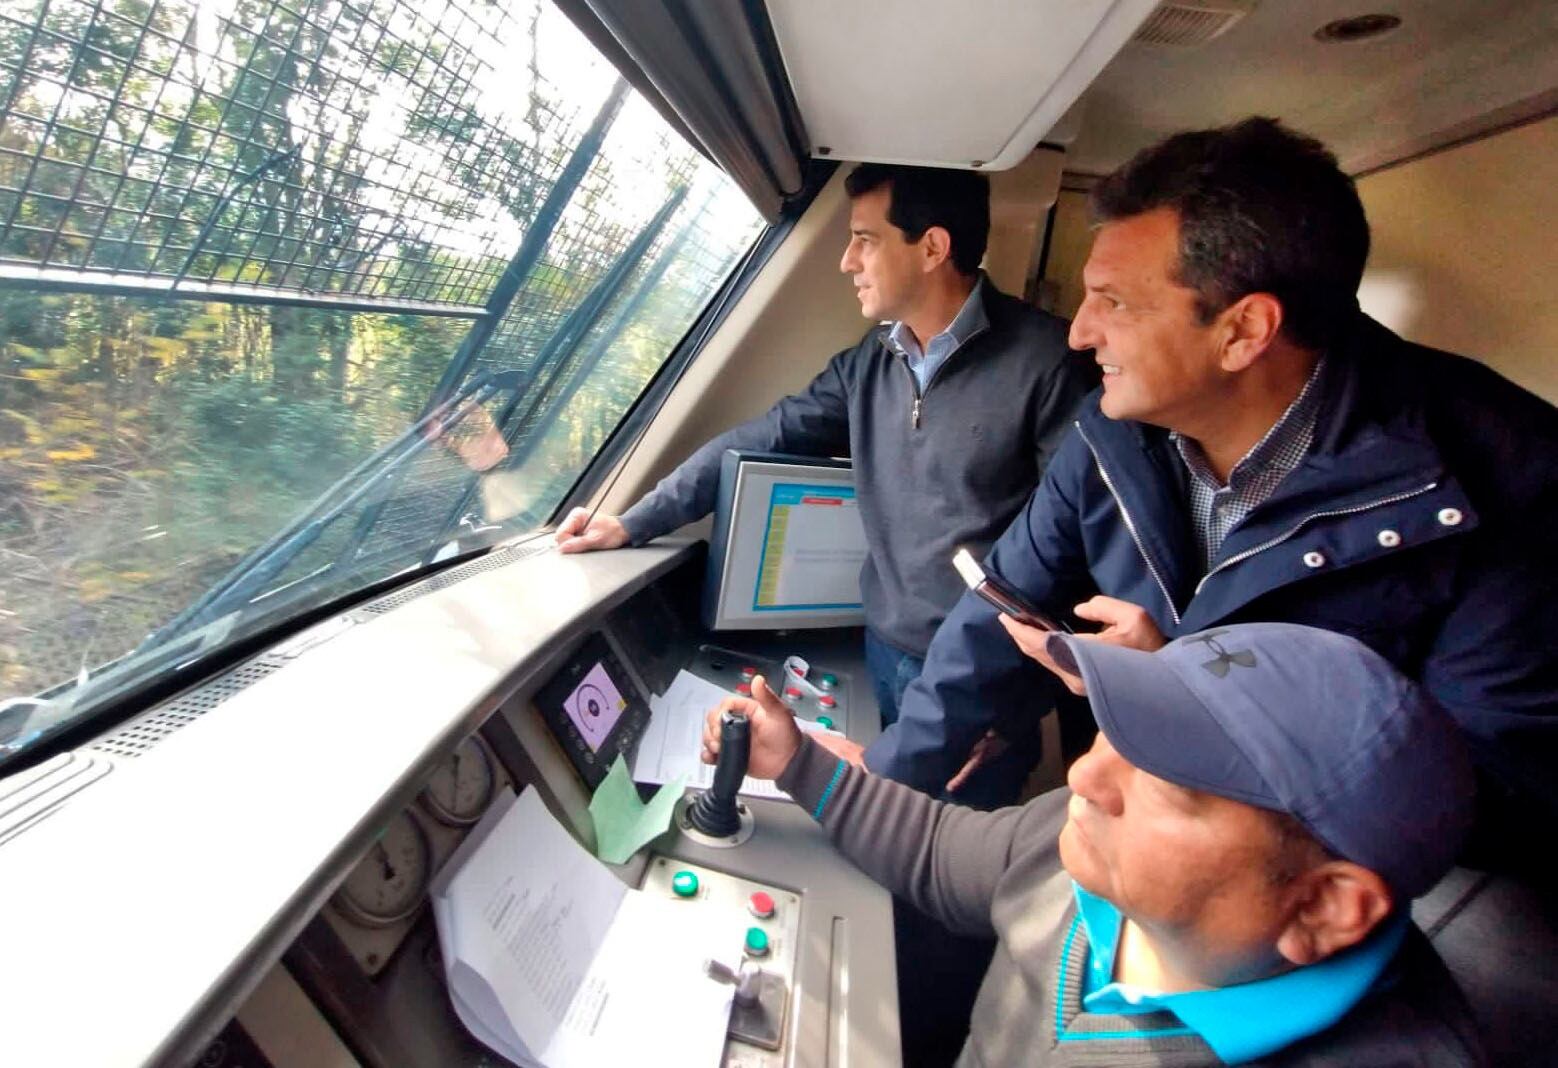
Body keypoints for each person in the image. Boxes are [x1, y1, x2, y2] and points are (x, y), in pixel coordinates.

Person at [828, 118, 1557, 868]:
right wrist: (880, 783)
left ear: (1243, 332)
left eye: (1113, 302)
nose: (1079, 334)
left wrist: (1189, 694)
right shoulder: (1113, 431)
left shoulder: (1506, 483)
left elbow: (1489, 802)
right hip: (1158, 841)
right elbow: (1002, 604)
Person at [704, 623, 1487, 1066]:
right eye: (1119, 732)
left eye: (1171, 780)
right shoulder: (1081, 848)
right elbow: (946, 852)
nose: (1085, 774)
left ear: (1322, 906)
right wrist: (797, 761)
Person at [554, 163, 1095, 745]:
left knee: (943, 829)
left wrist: (1010, 692)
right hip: (884, 646)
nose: (847, 261)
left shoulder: (1049, 363)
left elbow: (1073, 547)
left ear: (932, 247)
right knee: (880, 814)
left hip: (981, 670)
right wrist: (635, 521)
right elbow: (762, 437)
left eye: (865, 240)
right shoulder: (872, 362)